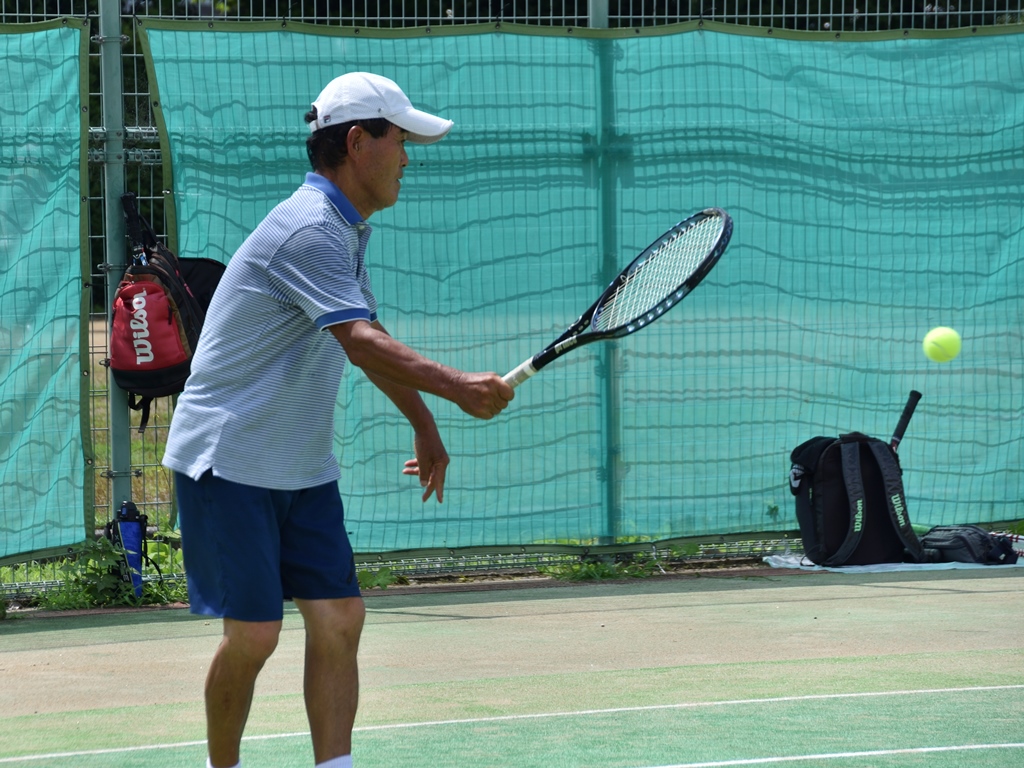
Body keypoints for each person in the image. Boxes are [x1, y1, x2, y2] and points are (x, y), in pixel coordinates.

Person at [162, 72, 514, 768]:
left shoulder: (345, 231)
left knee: (340, 618)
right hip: (228, 460)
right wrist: (456, 387)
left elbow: (366, 338)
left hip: (300, 466)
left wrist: (425, 423)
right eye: (399, 141)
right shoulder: (309, 228)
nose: (407, 158)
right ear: (357, 143)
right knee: (255, 635)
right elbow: (360, 342)